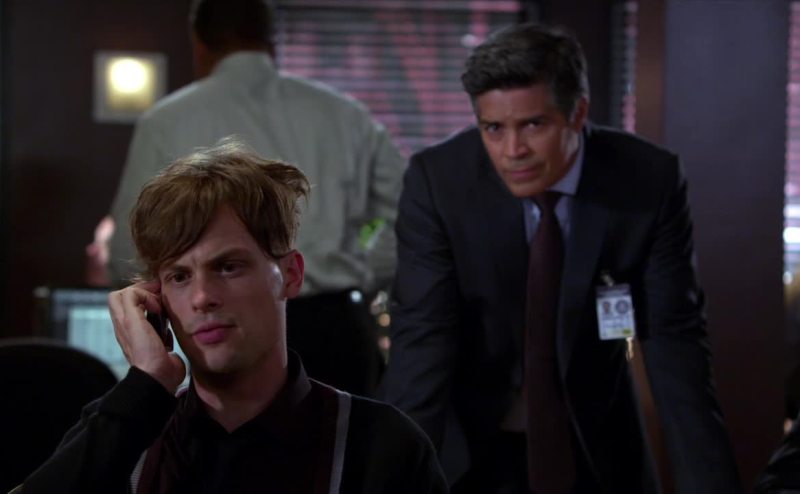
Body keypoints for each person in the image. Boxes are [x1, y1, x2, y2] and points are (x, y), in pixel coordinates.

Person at [379, 22, 741, 493]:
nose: (513, 151)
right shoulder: (439, 183)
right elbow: (422, 345)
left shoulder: (646, 180)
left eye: (534, 125)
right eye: (494, 128)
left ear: (577, 114)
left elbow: (676, 347)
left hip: (598, 445)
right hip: (469, 447)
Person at [20, 140, 446, 493]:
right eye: (179, 276)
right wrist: (145, 386)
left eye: (227, 267)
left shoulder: (380, 447)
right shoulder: (124, 437)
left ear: (291, 275)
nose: (203, 297)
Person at [87, 0, 404, 396]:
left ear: (198, 44)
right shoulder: (347, 115)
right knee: (348, 436)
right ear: (273, 40)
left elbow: (127, 249)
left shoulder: (167, 121)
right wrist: (360, 270)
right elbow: (408, 216)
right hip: (333, 324)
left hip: (220, 322)